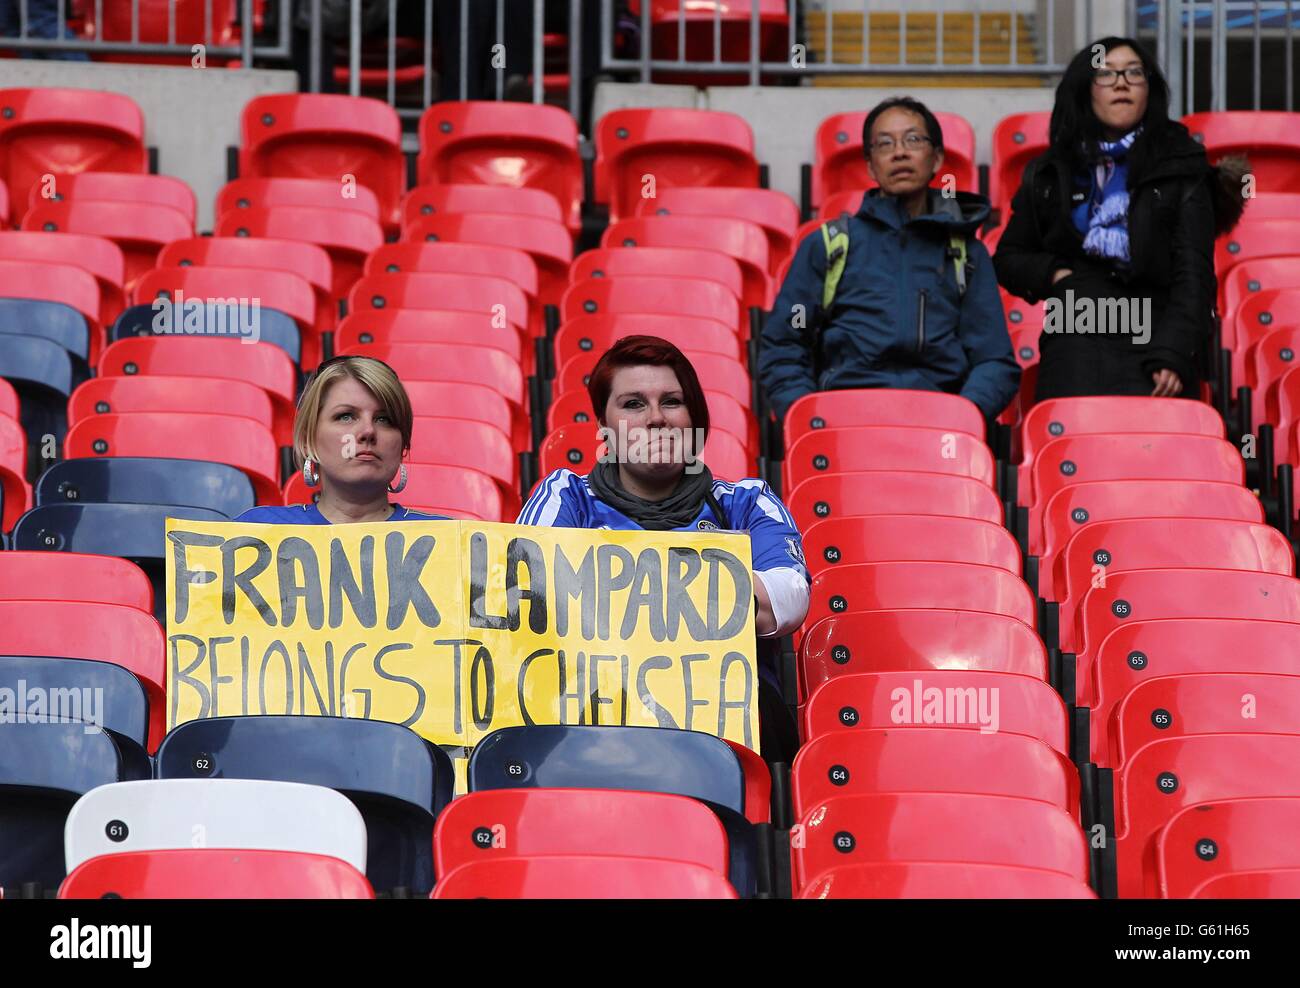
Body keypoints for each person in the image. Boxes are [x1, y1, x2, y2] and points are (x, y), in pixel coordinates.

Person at [518, 336, 809, 755]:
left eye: (672, 401)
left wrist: (611, 583)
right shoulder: (567, 496)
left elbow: (788, 599)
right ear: (604, 428)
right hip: (587, 732)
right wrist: (707, 584)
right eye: (633, 404)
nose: (656, 419)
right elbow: (529, 595)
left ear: (695, 421)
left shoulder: (745, 502)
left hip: (724, 741)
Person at [993, 36, 1245, 401]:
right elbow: (1009, 257)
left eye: (1133, 73)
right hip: (1076, 335)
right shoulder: (1052, 171)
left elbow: (1194, 275)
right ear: (1084, 90)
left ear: (1149, 91)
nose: (1122, 83)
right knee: (1073, 451)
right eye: (1106, 74)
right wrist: (1057, 274)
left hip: (1155, 345)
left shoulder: (1182, 168)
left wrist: (1173, 353)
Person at [759, 96, 1020, 428]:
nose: (900, 152)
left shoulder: (966, 254)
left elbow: (994, 360)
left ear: (937, 157)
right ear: (870, 165)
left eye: (913, 139)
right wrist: (810, 419)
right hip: (844, 421)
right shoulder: (828, 247)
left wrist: (963, 416)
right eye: (885, 143)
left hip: (938, 423)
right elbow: (786, 341)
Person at [237, 355, 445, 525]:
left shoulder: (451, 545)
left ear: (403, 445)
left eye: (384, 419)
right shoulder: (257, 531)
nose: (368, 431)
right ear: (308, 440)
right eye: (345, 416)